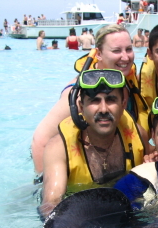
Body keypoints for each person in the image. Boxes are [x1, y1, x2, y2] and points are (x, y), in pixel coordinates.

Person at [31, 24, 148, 174]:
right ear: (98, 53)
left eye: (128, 49)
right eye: (116, 50)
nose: (125, 57)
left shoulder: (127, 78)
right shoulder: (78, 94)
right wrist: (43, 180)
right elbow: (40, 140)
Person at [39, 69, 149, 219]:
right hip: (81, 212)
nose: (103, 109)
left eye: (111, 100)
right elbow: (50, 204)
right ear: (81, 106)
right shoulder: (58, 148)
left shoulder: (137, 134)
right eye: (94, 101)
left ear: (123, 103)